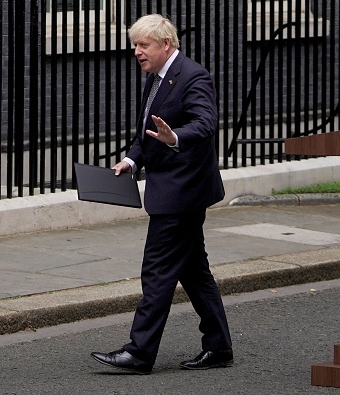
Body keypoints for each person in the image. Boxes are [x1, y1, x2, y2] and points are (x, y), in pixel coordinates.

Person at [90, 14, 233, 375]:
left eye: (143, 45)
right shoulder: (156, 78)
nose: (136, 51)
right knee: (195, 272)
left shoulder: (192, 75)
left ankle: (139, 352)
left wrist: (175, 138)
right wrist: (129, 160)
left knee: (157, 271)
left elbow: (205, 121)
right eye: (135, 45)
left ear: (165, 44)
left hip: (182, 192)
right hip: (172, 189)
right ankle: (218, 347)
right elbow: (146, 133)